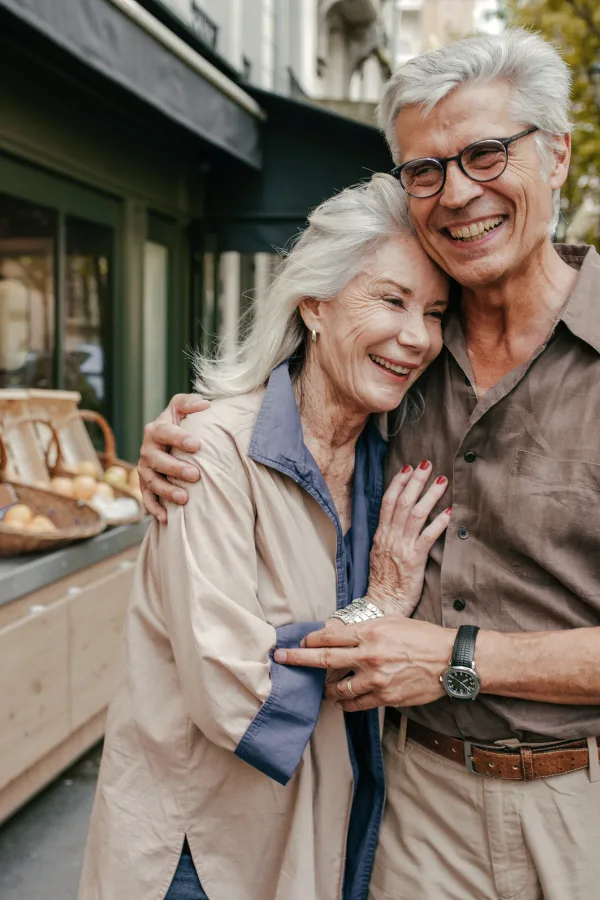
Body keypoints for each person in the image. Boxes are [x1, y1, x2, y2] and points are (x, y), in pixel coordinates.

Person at [140, 28, 600, 900]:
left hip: (581, 802)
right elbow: (285, 424)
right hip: (408, 805)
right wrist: (186, 435)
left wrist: (458, 657)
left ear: (558, 156)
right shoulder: (398, 371)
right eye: (425, 169)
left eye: (486, 154)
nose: (456, 192)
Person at [79, 174, 451, 900]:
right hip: (202, 854)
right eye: (392, 300)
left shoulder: (387, 459)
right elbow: (237, 688)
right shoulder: (209, 454)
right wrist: (381, 606)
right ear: (314, 304)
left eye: (435, 313)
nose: (417, 337)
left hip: (325, 831)